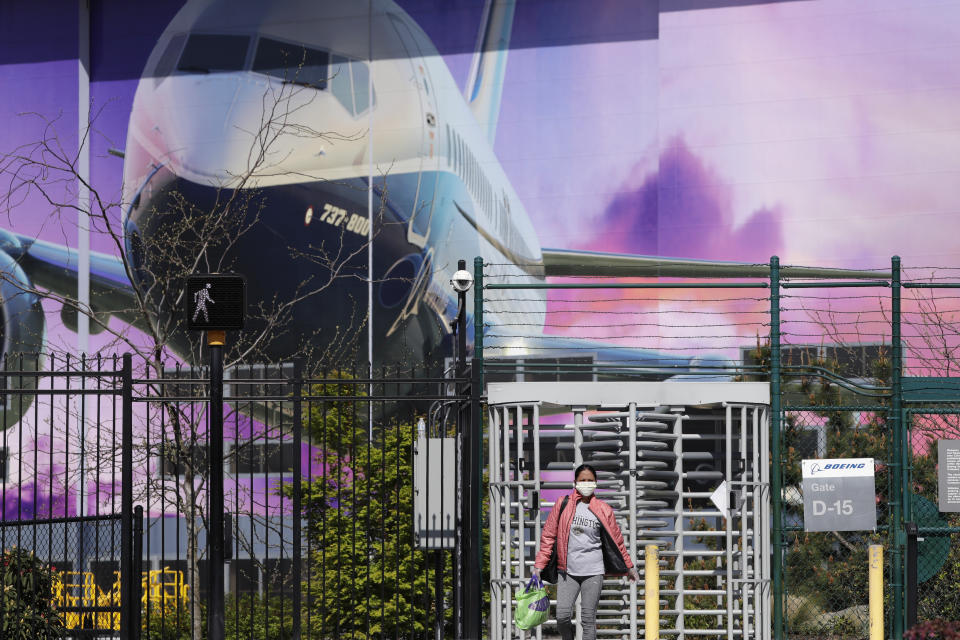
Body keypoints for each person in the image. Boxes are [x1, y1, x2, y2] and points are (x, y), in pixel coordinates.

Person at [532, 463, 639, 640]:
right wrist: (538, 566)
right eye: (583, 480)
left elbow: (617, 541)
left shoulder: (604, 510)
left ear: (596, 482)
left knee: (588, 619)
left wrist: (629, 566)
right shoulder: (563, 504)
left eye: (590, 480)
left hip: (594, 571)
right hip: (567, 572)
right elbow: (549, 536)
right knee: (562, 616)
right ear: (575, 482)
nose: (586, 483)